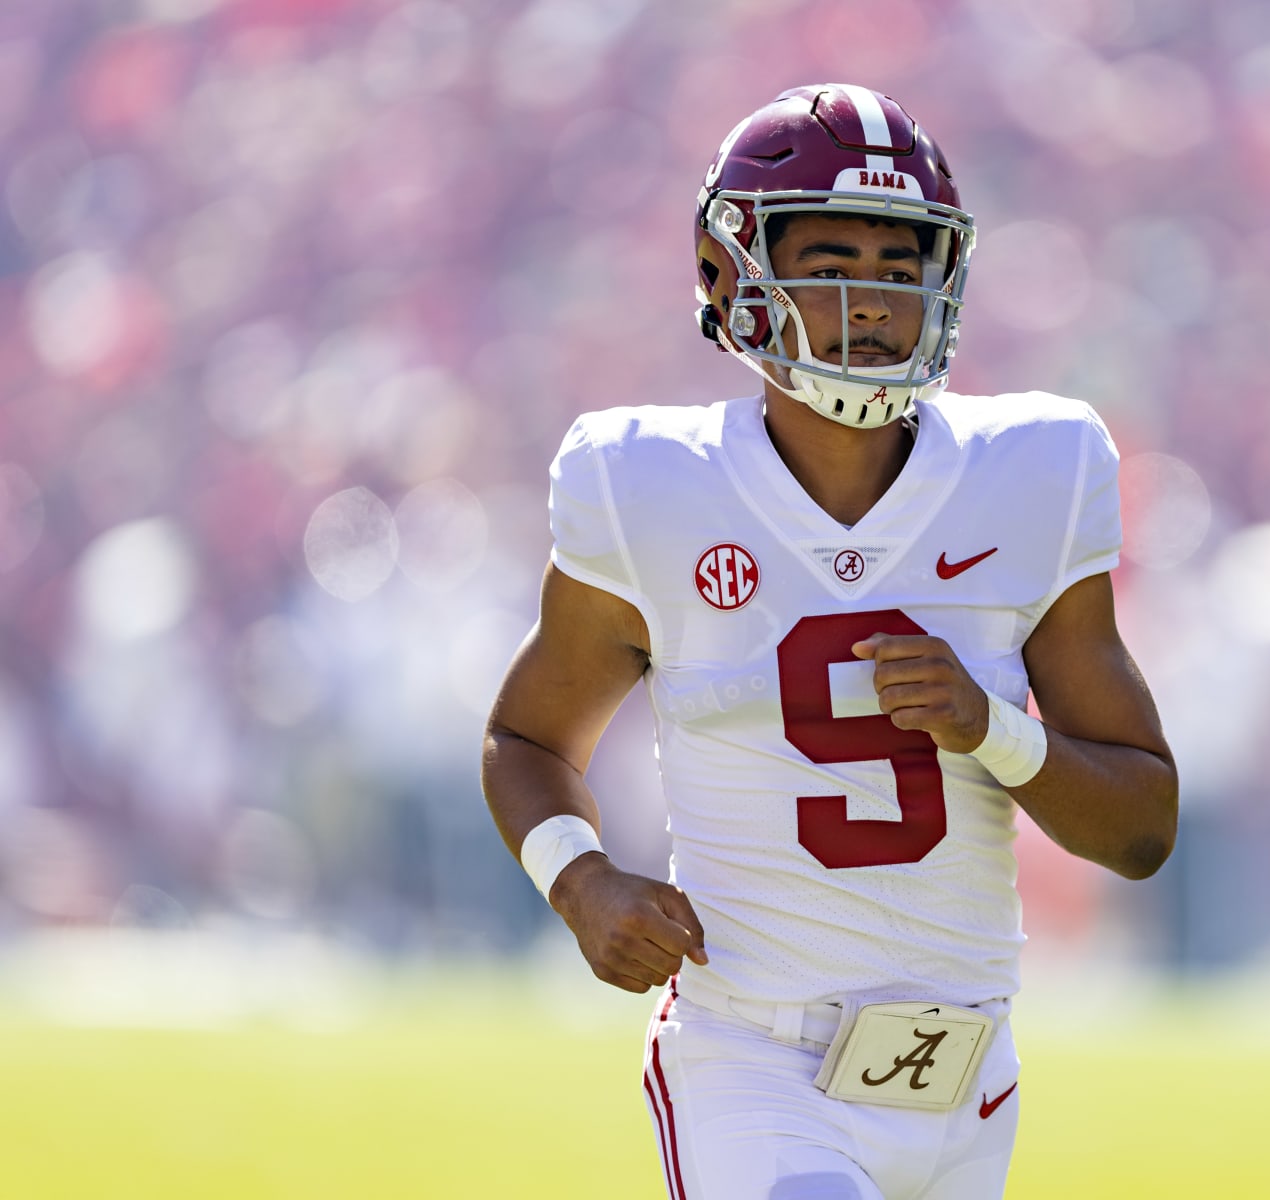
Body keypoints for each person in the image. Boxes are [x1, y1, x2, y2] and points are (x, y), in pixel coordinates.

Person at [481, 83, 1177, 1200]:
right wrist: (581, 882)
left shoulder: (1035, 470)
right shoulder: (646, 483)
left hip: (964, 1074)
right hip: (754, 1055)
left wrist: (991, 729)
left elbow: (1142, 828)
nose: (874, 300)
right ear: (731, 276)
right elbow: (527, 737)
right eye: (833, 261)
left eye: (902, 265)